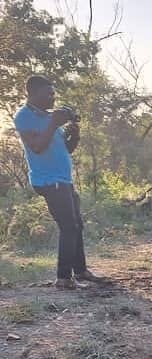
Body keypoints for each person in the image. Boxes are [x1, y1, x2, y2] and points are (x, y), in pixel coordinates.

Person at [13, 75, 105, 289]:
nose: (53, 97)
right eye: (49, 93)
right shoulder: (24, 116)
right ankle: (64, 278)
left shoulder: (48, 117)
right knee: (68, 226)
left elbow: (66, 149)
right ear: (33, 93)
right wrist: (54, 124)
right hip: (48, 180)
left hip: (63, 179)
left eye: (54, 93)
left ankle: (81, 271)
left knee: (76, 225)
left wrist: (75, 136)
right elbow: (37, 146)